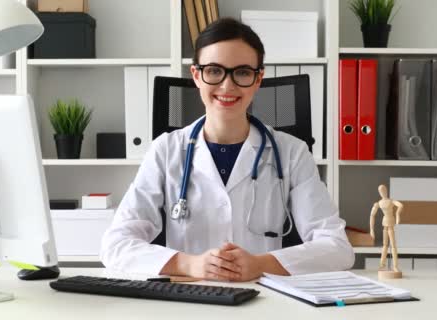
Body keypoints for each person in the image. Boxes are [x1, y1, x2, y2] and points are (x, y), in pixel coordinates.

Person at [100, 17, 354, 282]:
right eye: (214, 70)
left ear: (258, 79)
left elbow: (337, 248)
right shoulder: (166, 150)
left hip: (265, 298)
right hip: (188, 299)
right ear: (197, 75)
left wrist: (260, 264)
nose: (227, 86)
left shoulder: (292, 152)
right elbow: (115, 245)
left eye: (242, 72)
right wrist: (190, 264)